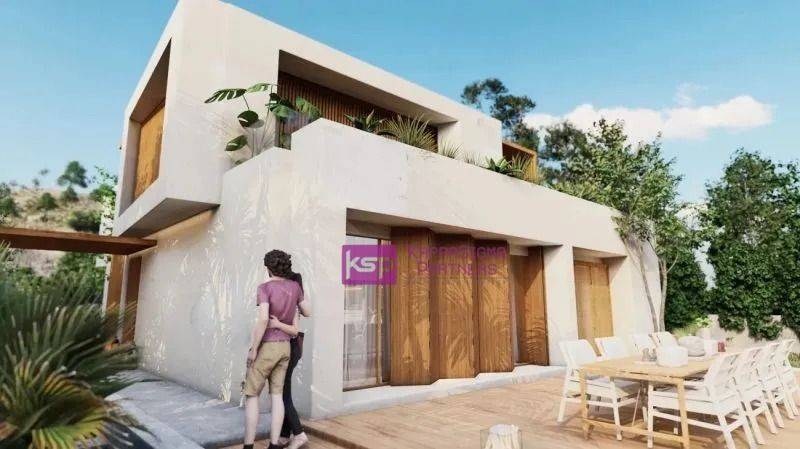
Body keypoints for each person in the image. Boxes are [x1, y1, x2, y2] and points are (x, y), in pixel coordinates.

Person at [242, 250, 304, 449]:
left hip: (268, 346)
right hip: (285, 347)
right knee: (277, 396)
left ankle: (248, 446)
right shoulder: (295, 287)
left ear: (268, 268)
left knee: (252, 394)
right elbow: (303, 311)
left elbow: (263, 319)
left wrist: (254, 349)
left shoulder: (265, 288)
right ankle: (274, 444)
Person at [268, 286, 311, 449]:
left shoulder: (292, 302)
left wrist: (277, 324)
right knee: (283, 392)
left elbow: (294, 331)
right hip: (286, 349)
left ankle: (299, 434)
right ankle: (285, 435)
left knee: (282, 394)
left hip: (289, 349)